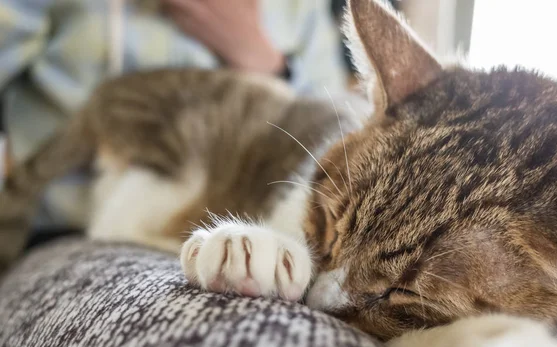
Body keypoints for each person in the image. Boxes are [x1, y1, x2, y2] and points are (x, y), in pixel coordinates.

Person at [0, 0, 348, 234]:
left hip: (238, 216)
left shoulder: (301, 10)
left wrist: (266, 61)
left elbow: (333, 140)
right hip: (58, 225)